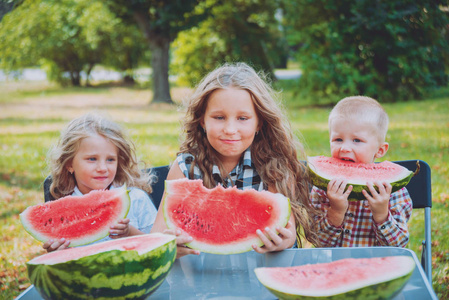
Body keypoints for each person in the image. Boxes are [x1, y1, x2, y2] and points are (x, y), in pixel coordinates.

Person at [151, 62, 320, 258]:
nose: (230, 129)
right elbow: (157, 235)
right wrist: (170, 246)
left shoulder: (275, 168)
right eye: (219, 117)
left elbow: (288, 232)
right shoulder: (185, 168)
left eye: (243, 118)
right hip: (199, 277)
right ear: (202, 121)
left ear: (259, 123)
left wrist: (284, 241)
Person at [42, 112, 157, 252]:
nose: (103, 168)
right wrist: (55, 252)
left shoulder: (136, 199)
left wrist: (129, 233)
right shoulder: (63, 209)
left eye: (110, 160)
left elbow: (158, 246)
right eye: (92, 159)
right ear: (69, 164)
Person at [311, 96, 412, 247]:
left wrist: (382, 214)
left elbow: (398, 246)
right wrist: (336, 212)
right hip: (333, 267)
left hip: (377, 267)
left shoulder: (393, 191)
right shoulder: (322, 189)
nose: (344, 148)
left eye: (357, 140)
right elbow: (317, 242)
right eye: (338, 139)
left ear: (380, 150)